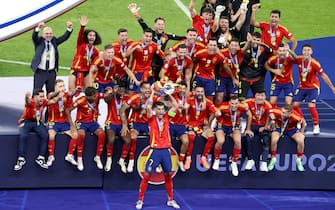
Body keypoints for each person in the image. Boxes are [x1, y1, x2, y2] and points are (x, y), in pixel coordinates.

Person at [135, 96, 180, 210]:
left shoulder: (167, 117)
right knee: (146, 176)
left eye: (162, 109)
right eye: (158, 109)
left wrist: (169, 94)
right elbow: (149, 106)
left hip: (165, 151)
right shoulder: (150, 118)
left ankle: (170, 200)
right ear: (155, 110)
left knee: (168, 176)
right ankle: (140, 200)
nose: (160, 111)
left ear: (164, 110)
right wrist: (153, 93)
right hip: (154, 151)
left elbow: (175, 106)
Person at [128, 3, 185, 81]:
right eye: (159, 24)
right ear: (155, 25)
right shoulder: (150, 33)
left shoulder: (167, 36)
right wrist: (135, 13)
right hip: (150, 62)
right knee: (148, 81)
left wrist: (172, 50)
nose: (160, 26)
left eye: (162, 24)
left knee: (158, 81)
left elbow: (181, 38)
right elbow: (142, 23)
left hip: (160, 61)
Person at [292, 44, 335, 135]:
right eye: (304, 50)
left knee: (311, 106)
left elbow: (324, 76)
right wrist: (288, 50)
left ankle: (316, 125)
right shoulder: (299, 59)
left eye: (308, 50)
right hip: (302, 87)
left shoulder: (315, 63)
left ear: (311, 52)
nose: (306, 52)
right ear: (302, 51)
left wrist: (332, 88)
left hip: (313, 87)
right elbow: (293, 57)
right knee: (294, 105)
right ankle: (301, 120)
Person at [14, 89, 61, 170]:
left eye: (43, 96)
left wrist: (58, 94)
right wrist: (26, 96)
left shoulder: (43, 102)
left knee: (45, 135)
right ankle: (21, 159)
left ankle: (41, 158)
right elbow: (27, 101)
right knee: (23, 136)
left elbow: (52, 101)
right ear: (35, 97)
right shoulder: (31, 102)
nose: (42, 98)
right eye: (41, 96)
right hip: (26, 122)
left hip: (37, 122)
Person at [119, 81, 157, 173]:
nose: (147, 90)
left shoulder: (154, 98)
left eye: (149, 88)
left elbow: (166, 103)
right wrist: (124, 125)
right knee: (133, 137)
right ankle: (128, 161)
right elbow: (122, 110)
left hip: (148, 124)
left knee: (157, 139)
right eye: (145, 88)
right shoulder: (134, 98)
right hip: (135, 122)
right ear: (141, 89)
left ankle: (156, 163)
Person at [213, 95, 252, 176]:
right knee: (220, 141)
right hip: (222, 126)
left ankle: (234, 162)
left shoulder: (242, 106)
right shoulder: (223, 106)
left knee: (238, 141)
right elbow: (214, 114)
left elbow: (249, 115)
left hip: (234, 126)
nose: (234, 105)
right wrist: (215, 117)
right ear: (229, 103)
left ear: (239, 103)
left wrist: (248, 129)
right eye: (232, 103)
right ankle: (216, 160)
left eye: (236, 103)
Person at [68, 87, 105, 171]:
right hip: (81, 122)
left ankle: (97, 157)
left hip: (92, 122)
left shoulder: (97, 96)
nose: (96, 97)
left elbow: (105, 96)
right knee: (81, 135)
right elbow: (68, 110)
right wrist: (72, 125)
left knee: (102, 134)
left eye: (96, 96)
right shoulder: (80, 101)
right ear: (88, 97)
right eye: (94, 97)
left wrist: (111, 91)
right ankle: (79, 159)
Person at [31, 21, 73, 94]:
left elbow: (63, 38)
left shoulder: (54, 41)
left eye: (50, 33)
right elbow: (34, 37)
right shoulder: (39, 41)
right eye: (46, 34)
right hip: (40, 72)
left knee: (51, 93)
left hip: (51, 72)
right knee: (36, 93)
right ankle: (34, 105)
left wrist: (68, 29)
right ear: (43, 34)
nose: (49, 35)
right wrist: (38, 28)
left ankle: (50, 106)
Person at [184, 85, 217, 170]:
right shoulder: (189, 100)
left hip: (202, 125)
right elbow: (184, 112)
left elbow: (215, 112)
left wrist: (209, 124)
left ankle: (203, 158)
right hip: (191, 124)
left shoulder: (207, 101)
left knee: (211, 137)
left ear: (204, 93)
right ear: (194, 92)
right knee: (191, 137)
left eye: (201, 92)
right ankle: (188, 158)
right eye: (198, 91)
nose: (200, 93)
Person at [46, 79, 78, 167]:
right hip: (53, 122)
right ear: (55, 88)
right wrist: (59, 96)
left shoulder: (67, 96)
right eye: (60, 86)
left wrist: (72, 94)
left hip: (64, 122)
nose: (63, 88)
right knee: (51, 135)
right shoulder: (50, 94)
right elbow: (52, 98)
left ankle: (70, 155)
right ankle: (51, 156)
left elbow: (69, 110)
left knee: (75, 135)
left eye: (63, 86)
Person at [267, 104, 306, 172]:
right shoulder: (278, 111)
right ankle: (273, 158)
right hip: (278, 127)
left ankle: (299, 159)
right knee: (274, 139)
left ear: (290, 113)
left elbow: (304, 123)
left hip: (291, 129)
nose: (282, 114)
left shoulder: (296, 116)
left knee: (301, 140)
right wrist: (271, 117)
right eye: (282, 112)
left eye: (285, 113)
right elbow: (269, 110)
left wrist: (302, 132)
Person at [69, 16, 102, 93]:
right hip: (75, 70)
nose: (92, 37)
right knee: (71, 90)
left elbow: (95, 63)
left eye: (94, 36)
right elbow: (80, 36)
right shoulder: (81, 44)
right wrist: (82, 27)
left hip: (86, 72)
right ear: (86, 36)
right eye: (90, 35)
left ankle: (85, 104)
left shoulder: (95, 50)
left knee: (88, 91)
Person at [126, 29, 165, 93]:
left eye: (150, 36)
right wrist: (134, 48)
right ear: (142, 36)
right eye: (146, 36)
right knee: (132, 92)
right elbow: (127, 54)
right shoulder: (135, 44)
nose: (148, 38)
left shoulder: (154, 45)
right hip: (135, 72)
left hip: (147, 72)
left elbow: (163, 56)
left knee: (149, 92)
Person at [103, 81, 130, 172]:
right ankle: (109, 159)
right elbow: (106, 99)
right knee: (111, 139)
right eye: (119, 88)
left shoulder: (127, 98)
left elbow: (136, 106)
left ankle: (122, 160)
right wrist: (113, 92)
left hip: (123, 124)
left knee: (128, 140)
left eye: (123, 89)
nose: (121, 90)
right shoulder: (111, 96)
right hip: (111, 122)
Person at [238, 31, 273, 100]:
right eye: (254, 39)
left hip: (257, 78)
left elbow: (271, 51)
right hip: (244, 77)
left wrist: (261, 43)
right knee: (241, 99)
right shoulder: (243, 45)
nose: (255, 42)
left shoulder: (263, 48)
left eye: (258, 40)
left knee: (261, 99)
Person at [244, 90, 272, 172]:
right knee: (248, 138)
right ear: (255, 96)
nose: (260, 97)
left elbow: (270, 116)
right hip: (251, 126)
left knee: (266, 140)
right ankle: (250, 159)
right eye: (259, 95)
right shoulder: (249, 102)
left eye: (262, 95)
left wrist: (266, 126)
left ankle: (264, 162)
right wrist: (248, 129)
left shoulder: (267, 104)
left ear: (265, 97)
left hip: (262, 127)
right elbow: (239, 104)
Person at [264, 43, 296, 107]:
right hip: (276, 82)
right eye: (280, 51)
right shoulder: (273, 58)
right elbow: (266, 65)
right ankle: (274, 115)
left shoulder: (289, 58)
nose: (282, 53)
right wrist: (274, 71)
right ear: (277, 51)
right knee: (272, 102)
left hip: (288, 82)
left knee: (288, 103)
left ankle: (286, 116)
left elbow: (295, 58)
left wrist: (289, 50)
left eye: (284, 51)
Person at [168, 81, 190, 171]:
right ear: (177, 89)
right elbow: (169, 114)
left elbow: (187, 112)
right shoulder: (172, 98)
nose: (182, 90)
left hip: (181, 125)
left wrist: (185, 109)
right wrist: (178, 107)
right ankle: (162, 163)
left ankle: (180, 161)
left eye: (184, 88)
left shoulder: (188, 99)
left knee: (186, 142)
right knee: (167, 144)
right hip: (171, 124)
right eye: (180, 88)